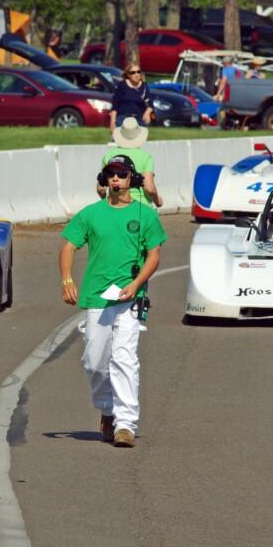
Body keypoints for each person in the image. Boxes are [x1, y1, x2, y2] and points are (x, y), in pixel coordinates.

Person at [59, 154, 167, 448]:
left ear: (133, 179)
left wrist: (136, 284)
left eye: (120, 174)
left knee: (124, 358)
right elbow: (69, 246)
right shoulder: (90, 214)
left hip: (131, 298)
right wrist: (67, 279)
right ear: (103, 180)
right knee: (94, 361)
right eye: (110, 174)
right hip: (97, 296)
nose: (115, 179)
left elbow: (154, 256)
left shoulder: (146, 215)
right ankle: (107, 409)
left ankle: (126, 425)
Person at [97, 117, 163, 207]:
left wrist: (106, 200)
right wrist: (158, 201)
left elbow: (101, 189)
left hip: (114, 206)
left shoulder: (109, 156)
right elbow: (149, 188)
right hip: (141, 207)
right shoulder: (145, 157)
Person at [110, 62, 153, 130]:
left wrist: (147, 113)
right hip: (123, 119)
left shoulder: (144, 86)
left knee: (139, 139)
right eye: (133, 72)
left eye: (138, 72)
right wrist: (112, 122)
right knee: (119, 139)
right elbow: (115, 105)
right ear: (128, 75)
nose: (136, 74)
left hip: (138, 119)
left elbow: (150, 104)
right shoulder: (122, 85)